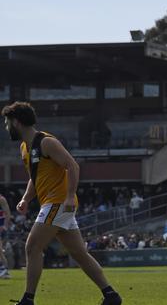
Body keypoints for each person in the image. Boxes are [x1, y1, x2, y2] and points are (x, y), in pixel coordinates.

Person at [2, 101, 122, 305]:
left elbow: (72, 165)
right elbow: (36, 176)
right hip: (53, 203)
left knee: (32, 247)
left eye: (7, 122)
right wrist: (25, 198)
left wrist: (69, 196)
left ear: (16, 122)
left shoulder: (47, 142)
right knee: (79, 254)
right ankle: (111, 295)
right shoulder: (25, 147)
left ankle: (27, 300)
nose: (6, 127)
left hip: (58, 202)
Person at [0, 193, 12, 279]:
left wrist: (5, 226)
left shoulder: (1, 199)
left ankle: (4, 270)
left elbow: (7, 213)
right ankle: (4, 270)